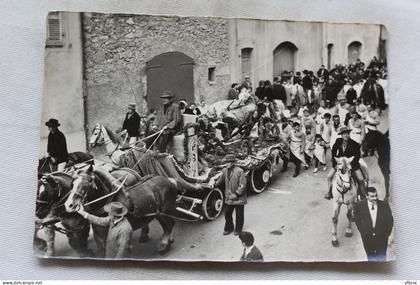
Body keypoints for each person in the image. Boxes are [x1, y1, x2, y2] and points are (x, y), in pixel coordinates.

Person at [324, 126, 365, 200]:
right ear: (341, 135)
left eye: (347, 134)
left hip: (351, 164)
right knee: (329, 176)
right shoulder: (338, 141)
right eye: (344, 134)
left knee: (361, 179)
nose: (346, 135)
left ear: (349, 134)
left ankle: (363, 194)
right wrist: (336, 163)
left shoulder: (354, 144)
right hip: (340, 163)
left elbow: (357, 156)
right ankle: (329, 192)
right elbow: (333, 152)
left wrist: (350, 165)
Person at [354, 187, 394, 262]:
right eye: (372, 196)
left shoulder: (384, 205)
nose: (375, 198)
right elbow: (357, 220)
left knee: (381, 259)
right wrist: (363, 232)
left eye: (376, 195)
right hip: (367, 238)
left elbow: (390, 220)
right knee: (370, 258)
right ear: (366, 196)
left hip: (382, 238)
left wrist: (386, 234)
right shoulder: (359, 206)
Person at [213, 154, 247, 236]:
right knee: (227, 213)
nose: (227, 164)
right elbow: (220, 180)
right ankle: (229, 228)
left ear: (233, 163)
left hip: (239, 198)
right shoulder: (225, 171)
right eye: (226, 162)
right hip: (229, 197)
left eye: (228, 162)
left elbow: (242, 185)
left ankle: (238, 230)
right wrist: (214, 184)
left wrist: (236, 194)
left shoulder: (240, 171)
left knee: (239, 215)